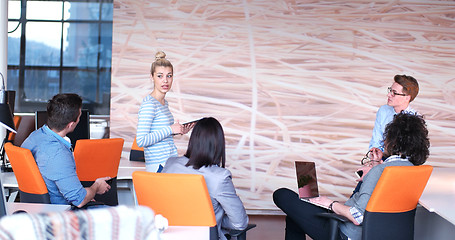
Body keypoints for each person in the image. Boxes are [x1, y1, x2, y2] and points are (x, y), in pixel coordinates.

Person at [273, 113, 430, 240]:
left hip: (345, 232)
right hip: (378, 233)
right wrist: (376, 167)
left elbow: (358, 216)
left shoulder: (380, 172)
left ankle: (316, 201)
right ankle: (314, 202)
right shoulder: (415, 172)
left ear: (393, 143)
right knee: (295, 216)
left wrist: (328, 203)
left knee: (282, 194)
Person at [162, 117, 248, 240]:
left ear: (193, 140)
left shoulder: (171, 164)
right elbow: (240, 223)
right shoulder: (220, 177)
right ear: (218, 145)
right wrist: (218, 218)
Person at [21, 93, 111, 208]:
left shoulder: (34, 137)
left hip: (39, 209)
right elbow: (79, 200)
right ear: (71, 125)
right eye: (79, 116)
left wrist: (84, 192)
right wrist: (97, 186)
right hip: (63, 213)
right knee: (121, 215)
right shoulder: (58, 154)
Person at [136, 51, 193, 172]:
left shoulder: (164, 103)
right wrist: (170, 129)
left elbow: (159, 132)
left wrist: (177, 131)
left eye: (169, 76)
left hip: (169, 162)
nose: (165, 81)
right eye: (160, 76)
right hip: (158, 166)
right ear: (152, 77)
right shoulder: (149, 104)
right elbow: (141, 140)